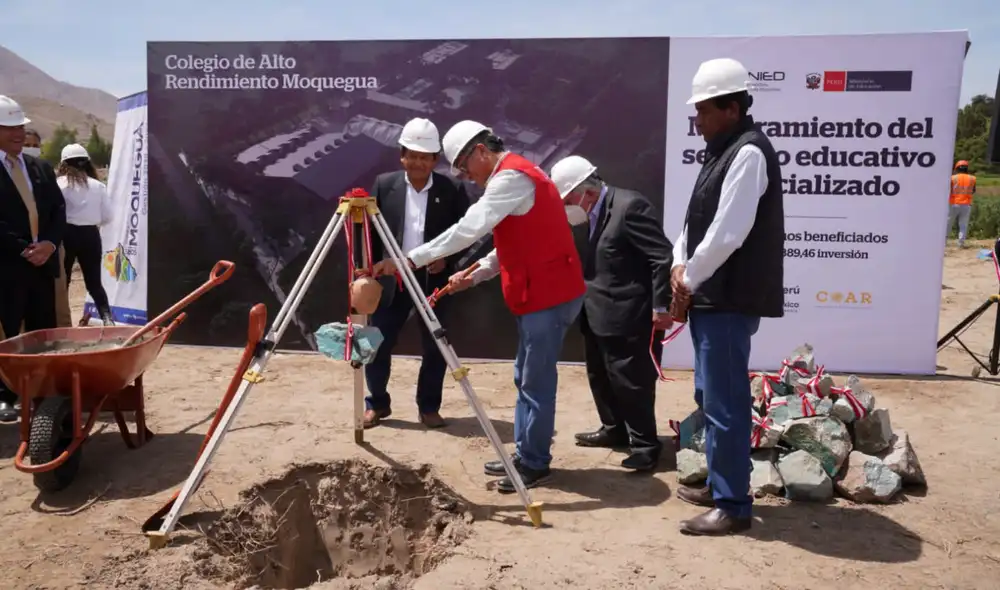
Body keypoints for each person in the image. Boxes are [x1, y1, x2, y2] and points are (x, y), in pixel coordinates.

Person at [374, 120, 586, 493]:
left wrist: (412, 259)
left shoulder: (511, 179)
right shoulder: (517, 176)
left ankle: (534, 464)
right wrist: (475, 275)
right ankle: (524, 454)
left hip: (548, 294)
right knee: (525, 376)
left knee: (535, 381)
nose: (466, 178)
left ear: (481, 152)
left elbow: (470, 228)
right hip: (539, 292)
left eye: (463, 167)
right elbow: (510, 242)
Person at [670, 58, 785, 535]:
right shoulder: (720, 150)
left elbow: (727, 233)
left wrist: (688, 278)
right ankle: (722, 485)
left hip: (729, 299)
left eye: (703, 110)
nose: (696, 120)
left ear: (732, 108)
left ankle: (734, 506)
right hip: (711, 296)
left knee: (726, 402)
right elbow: (695, 221)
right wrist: (679, 262)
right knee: (710, 394)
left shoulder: (748, 153)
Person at [549, 155, 674, 471]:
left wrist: (662, 306)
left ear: (587, 192)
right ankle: (613, 429)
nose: (564, 207)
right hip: (595, 312)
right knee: (600, 376)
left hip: (629, 314)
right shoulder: (590, 212)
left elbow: (661, 257)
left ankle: (645, 445)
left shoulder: (630, 206)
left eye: (567, 200)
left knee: (631, 381)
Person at [362, 118, 470, 429]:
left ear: (436, 159)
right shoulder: (385, 185)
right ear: (402, 156)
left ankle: (428, 407)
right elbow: (368, 231)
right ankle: (378, 404)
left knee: (435, 346)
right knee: (376, 342)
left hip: (432, 281)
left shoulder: (453, 189)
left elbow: (468, 232)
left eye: (425, 157)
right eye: (412, 155)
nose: (418, 162)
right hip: (392, 281)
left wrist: (447, 261)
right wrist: (370, 267)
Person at [0, 96, 67, 422]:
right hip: (8, 267)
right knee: (8, 332)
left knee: (44, 329)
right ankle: (7, 395)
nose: (17, 133)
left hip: (42, 266)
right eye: (8, 127)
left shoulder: (39, 167)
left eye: (19, 126)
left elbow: (58, 210)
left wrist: (50, 245)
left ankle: (44, 393)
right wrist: (24, 249)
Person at [57, 143, 115, 325]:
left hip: (65, 235)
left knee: (63, 281)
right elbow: (108, 216)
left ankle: (61, 321)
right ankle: (107, 319)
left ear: (64, 163)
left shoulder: (58, 184)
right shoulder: (98, 186)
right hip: (90, 235)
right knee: (94, 282)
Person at [24, 128, 73, 328]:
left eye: (35, 146)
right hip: (16, 249)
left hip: (49, 247)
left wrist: (50, 243)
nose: (31, 149)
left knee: (55, 300)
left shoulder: (43, 171)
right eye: (27, 145)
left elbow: (58, 208)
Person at [947, 160, 976, 248]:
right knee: (963, 224)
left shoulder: (952, 178)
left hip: (953, 203)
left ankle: (943, 242)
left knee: (948, 223)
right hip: (966, 205)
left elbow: (949, 190)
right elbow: (973, 190)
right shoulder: (972, 178)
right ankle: (961, 243)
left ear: (956, 168)